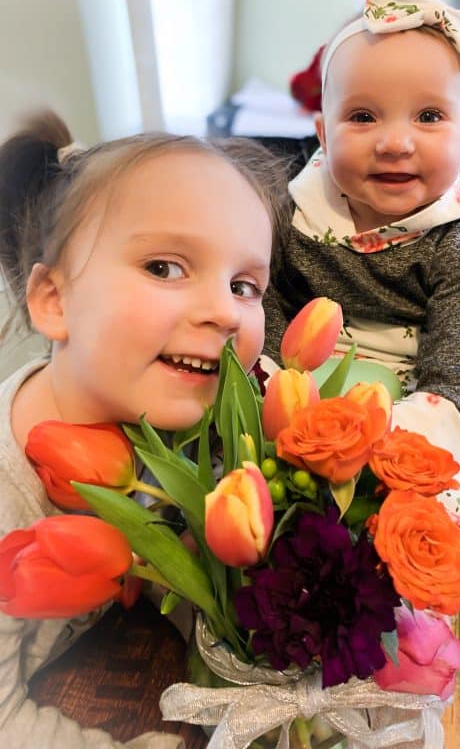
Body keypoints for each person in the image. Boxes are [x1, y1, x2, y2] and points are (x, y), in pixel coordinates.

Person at [0, 111, 286, 748]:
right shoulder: (6, 496)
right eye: (164, 267)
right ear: (54, 301)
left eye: (244, 284)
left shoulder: (183, 407)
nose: (222, 312)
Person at [263, 0, 460, 540]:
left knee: (422, 493)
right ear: (324, 134)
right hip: (306, 358)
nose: (395, 142)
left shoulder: (454, 231)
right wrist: (268, 370)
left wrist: (440, 403)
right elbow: (263, 284)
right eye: (364, 116)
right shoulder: (298, 209)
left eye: (428, 117)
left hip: (417, 360)